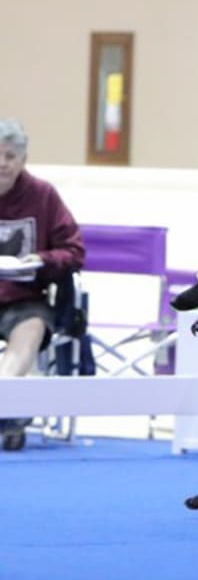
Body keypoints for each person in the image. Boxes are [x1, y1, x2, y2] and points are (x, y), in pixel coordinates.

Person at [0, 118, 85, 450]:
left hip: (26, 300)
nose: (2, 163)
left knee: (29, 333)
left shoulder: (43, 195)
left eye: (9, 156)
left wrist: (42, 260)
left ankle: (5, 407)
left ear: (22, 160)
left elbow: (74, 251)